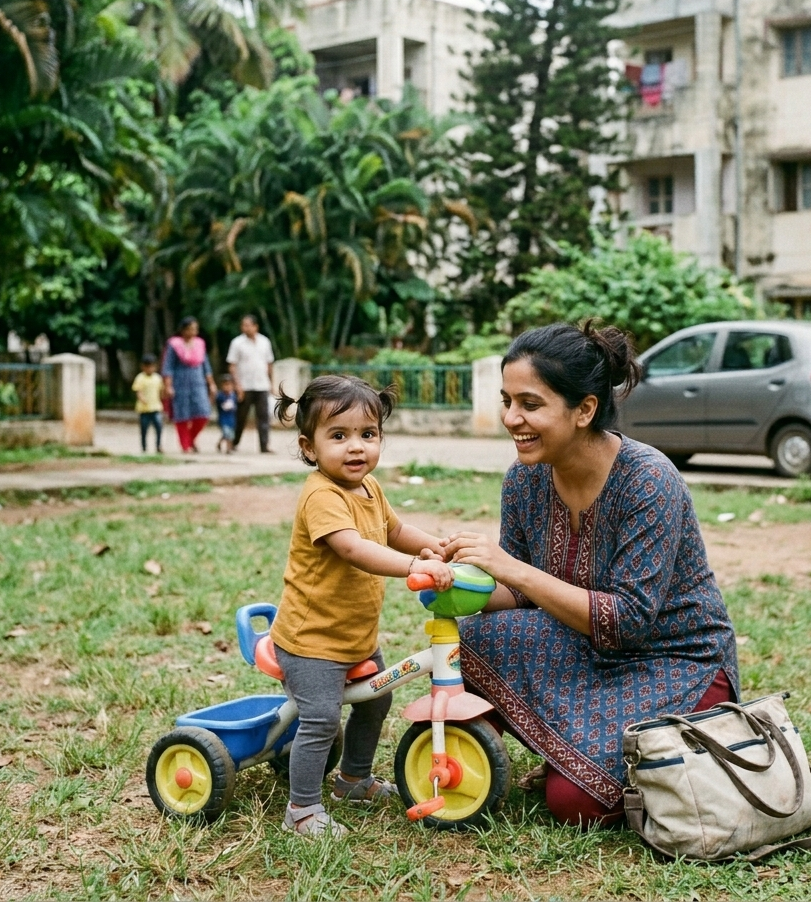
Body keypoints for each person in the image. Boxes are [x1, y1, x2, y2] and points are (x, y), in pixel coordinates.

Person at [442, 320, 740, 828]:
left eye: (530, 404)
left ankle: (584, 760)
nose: (512, 418)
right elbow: (518, 591)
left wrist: (514, 570)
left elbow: (628, 622)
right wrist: (457, 578)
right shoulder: (523, 479)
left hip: (676, 661)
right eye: (507, 401)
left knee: (572, 804)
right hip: (585, 648)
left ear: (584, 410)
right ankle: (506, 757)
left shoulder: (649, 481)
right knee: (470, 640)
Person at [269, 374, 454, 838]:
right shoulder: (322, 495)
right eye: (338, 436)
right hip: (311, 642)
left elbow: (395, 531)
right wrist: (414, 565)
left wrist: (436, 547)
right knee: (321, 718)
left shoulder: (370, 488)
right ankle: (302, 809)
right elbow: (353, 548)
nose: (356, 447)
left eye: (367, 434)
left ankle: (352, 780)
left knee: (377, 699)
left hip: (354, 637)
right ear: (309, 447)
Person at [162, 317, 216, 453]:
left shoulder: (200, 344)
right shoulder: (174, 344)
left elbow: (206, 366)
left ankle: (191, 439)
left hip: (198, 382)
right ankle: (185, 445)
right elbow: (168, 366)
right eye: (191, 329)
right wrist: (168, 385)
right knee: (182, 415)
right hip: (180, 382)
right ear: (183, 330)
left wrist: (211, 383)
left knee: (203, 413)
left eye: (195, 329)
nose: (193, 332)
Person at [226, 314, 275, 453]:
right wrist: (237, 385)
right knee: (241, 416)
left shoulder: (264, 341)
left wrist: (271, 383)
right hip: (245, 385)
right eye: (243, 325)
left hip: (262, 384)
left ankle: (264, 445)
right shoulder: (237, 343)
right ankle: (234, 442)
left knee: (263, 417)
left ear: (255, 326)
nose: (245, 328)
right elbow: (232, 366)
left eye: (248, 325)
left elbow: (269, 363)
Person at [131, 354, 164, 453]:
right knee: (144, 429)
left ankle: (158, 445)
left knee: (159, 427)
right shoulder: (140, 378)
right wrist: (142, 399)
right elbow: (138, 391)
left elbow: (161, 391)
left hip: (156, 407)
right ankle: (144, 447)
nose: (149, 369)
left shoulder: (157, 378)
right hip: (144, 409)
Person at [215, 374, 238, 453]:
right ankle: (228, 448)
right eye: (225, 385)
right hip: (223, 418)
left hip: (231, 419)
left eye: (229, 385)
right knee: (227, 433)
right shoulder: (220, 396)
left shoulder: (233, 395)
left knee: (230, 434)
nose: (227, 387)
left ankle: (220, 443)